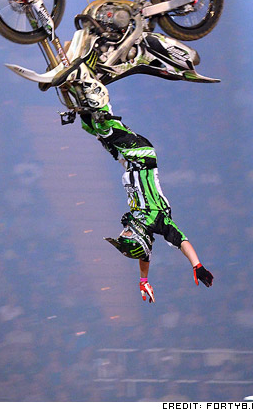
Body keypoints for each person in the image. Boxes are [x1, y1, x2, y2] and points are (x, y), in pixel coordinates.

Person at [79, 103, 213, 303]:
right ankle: (96, 99)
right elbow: (182, 242)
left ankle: (77, 100)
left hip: (127, 162)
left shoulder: (142, 231)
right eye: (126, 235)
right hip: (142, 158)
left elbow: (145, 255)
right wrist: (197, 265)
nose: (123, 231)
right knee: (104, 128)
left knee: (92, 127)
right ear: (137, 236)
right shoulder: (159, 221)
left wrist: (144, 281)